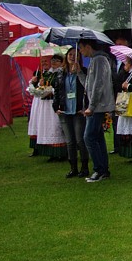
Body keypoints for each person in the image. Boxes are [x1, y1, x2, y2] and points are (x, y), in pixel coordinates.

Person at [78, 40, 115, 182]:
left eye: (81, 48)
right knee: (97, 137)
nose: (80, 52)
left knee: (89, 137)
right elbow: (89, 85)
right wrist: (79, 72)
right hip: (95, 106)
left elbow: (99, 84)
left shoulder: (99, 60)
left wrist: (92, 106)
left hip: (98, 106)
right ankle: (103, 170)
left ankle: (99, 169)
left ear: (88, 46)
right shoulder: (95, 60)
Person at [52, 48, 90, 178]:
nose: (72, 57)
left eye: (75, 55)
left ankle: (84, 167)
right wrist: (55, 106)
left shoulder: (83, 71)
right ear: (66, 56)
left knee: (80, 140)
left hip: (78, 110)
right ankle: (73, 168)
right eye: (70, 54)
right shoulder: (60, 73)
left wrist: (86, 107)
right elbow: (57, 91)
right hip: (65, 110)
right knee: (70, 141)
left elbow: (88, 89)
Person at [26, 54, 67, 161]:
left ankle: (61, 153)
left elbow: (59, 87)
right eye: (52, 60)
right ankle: (52, 153)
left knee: (56, 126)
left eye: (56, 61)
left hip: (54, 102)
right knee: (48, 126)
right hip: (45, 103)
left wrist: (49, 89)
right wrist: (39, 85)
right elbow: (41, 87)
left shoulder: (61, 73)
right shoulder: (46, 74)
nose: (53, 63)